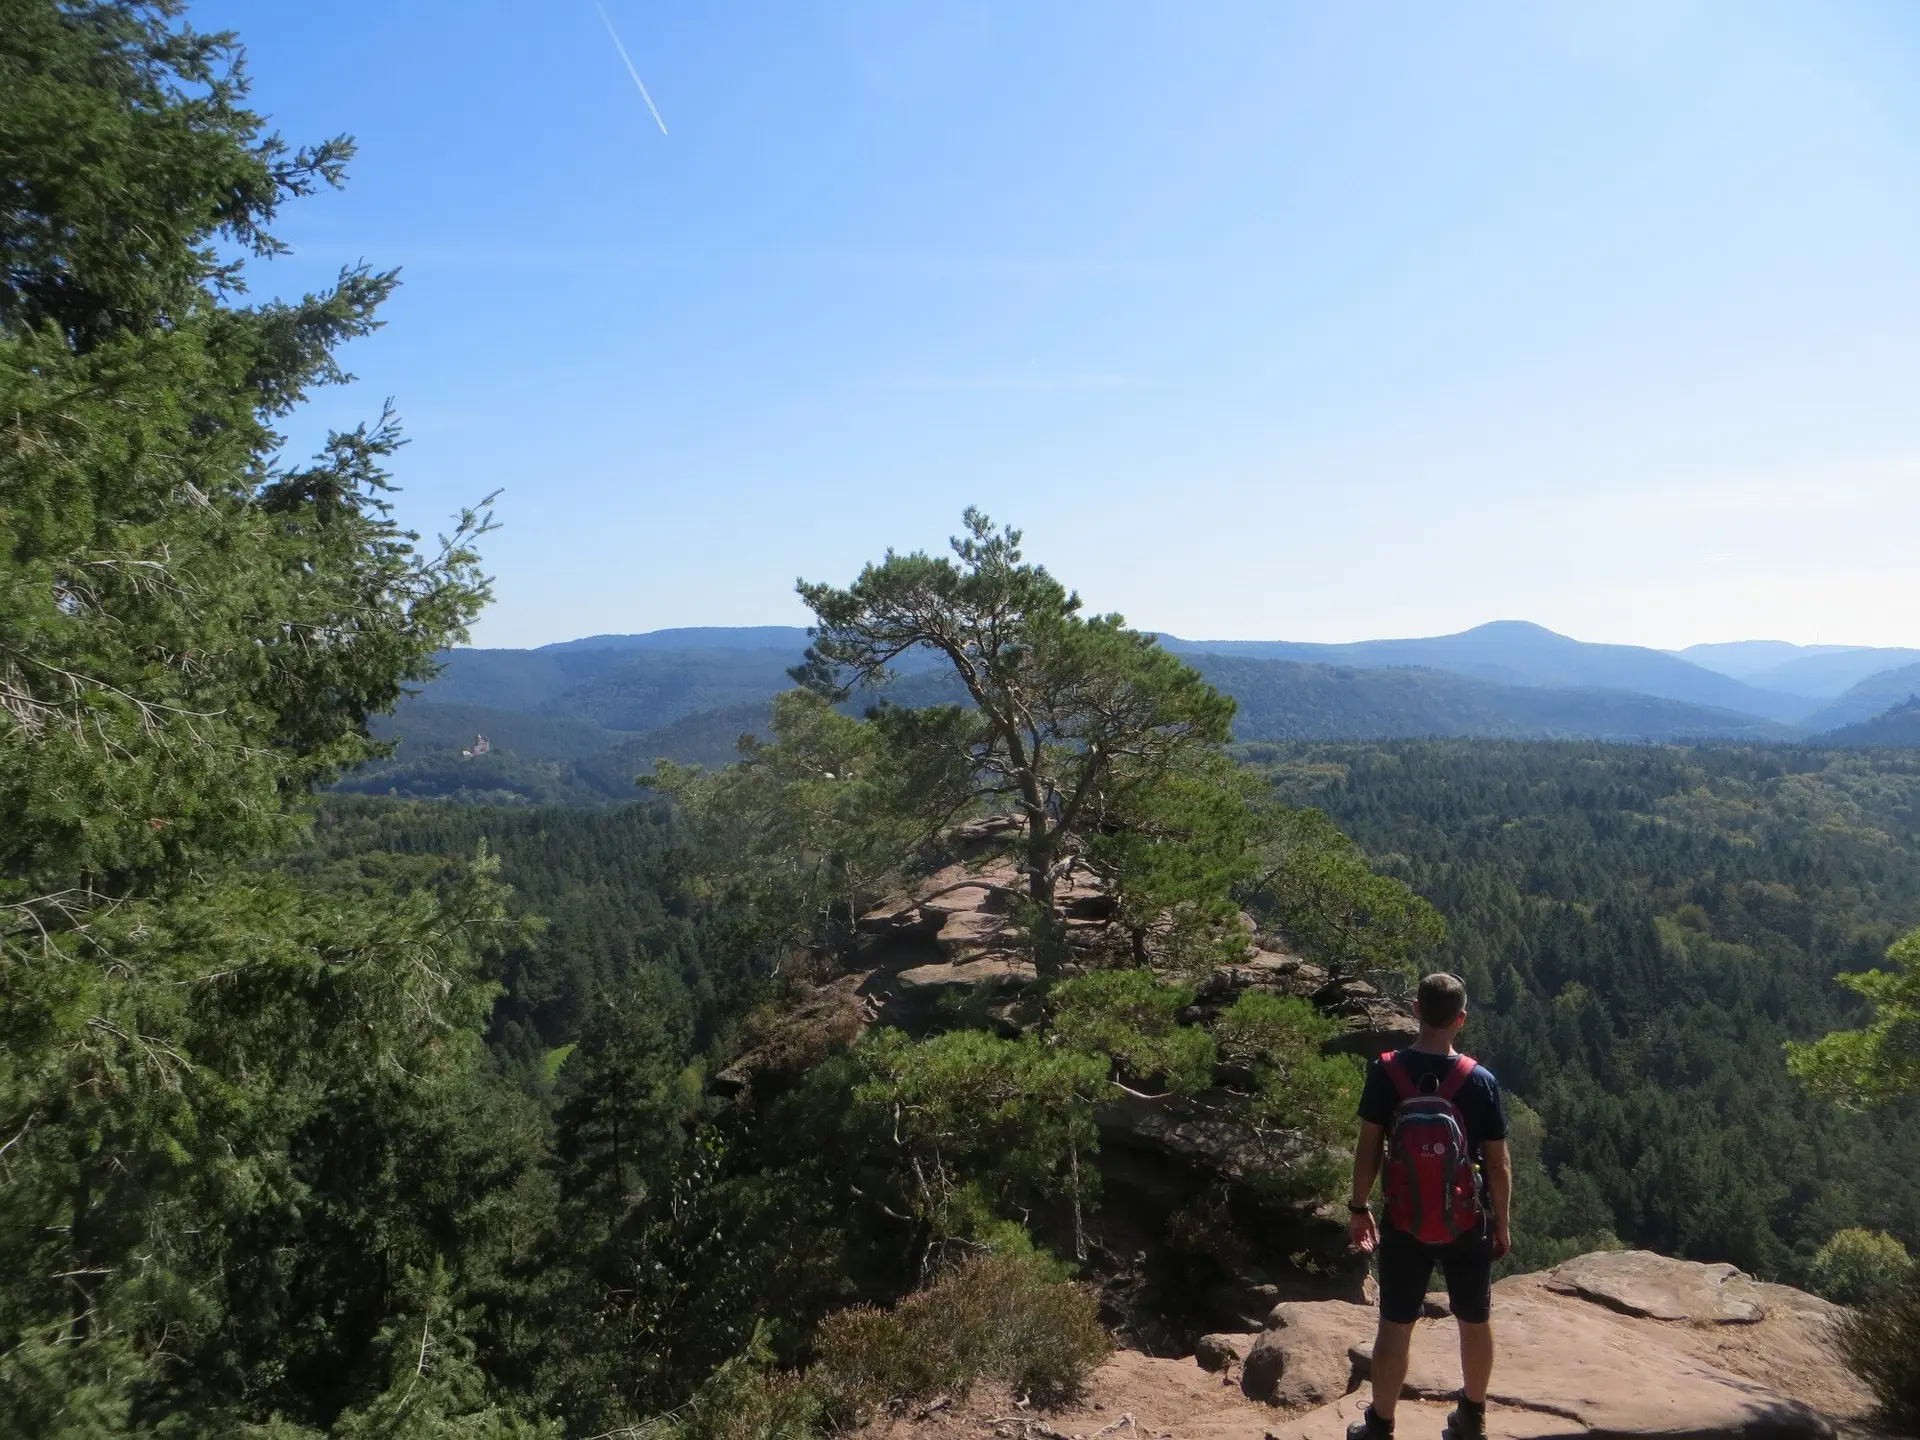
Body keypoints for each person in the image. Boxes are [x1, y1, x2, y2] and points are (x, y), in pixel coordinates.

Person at [1345, 973, 1512, 1440]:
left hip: (1403, 1219)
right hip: (1468, 1219)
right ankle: (1472, 1418)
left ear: (1416, 1010)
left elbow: (1369, 1147)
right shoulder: (1480, 1081)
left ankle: (1380, 1425)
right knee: (1474, 1319)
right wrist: (1502, 1223)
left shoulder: (1386, 1072)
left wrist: (1358, 1207)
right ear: (1461, 1019)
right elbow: (1497, 1165)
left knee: (1395, 1323)